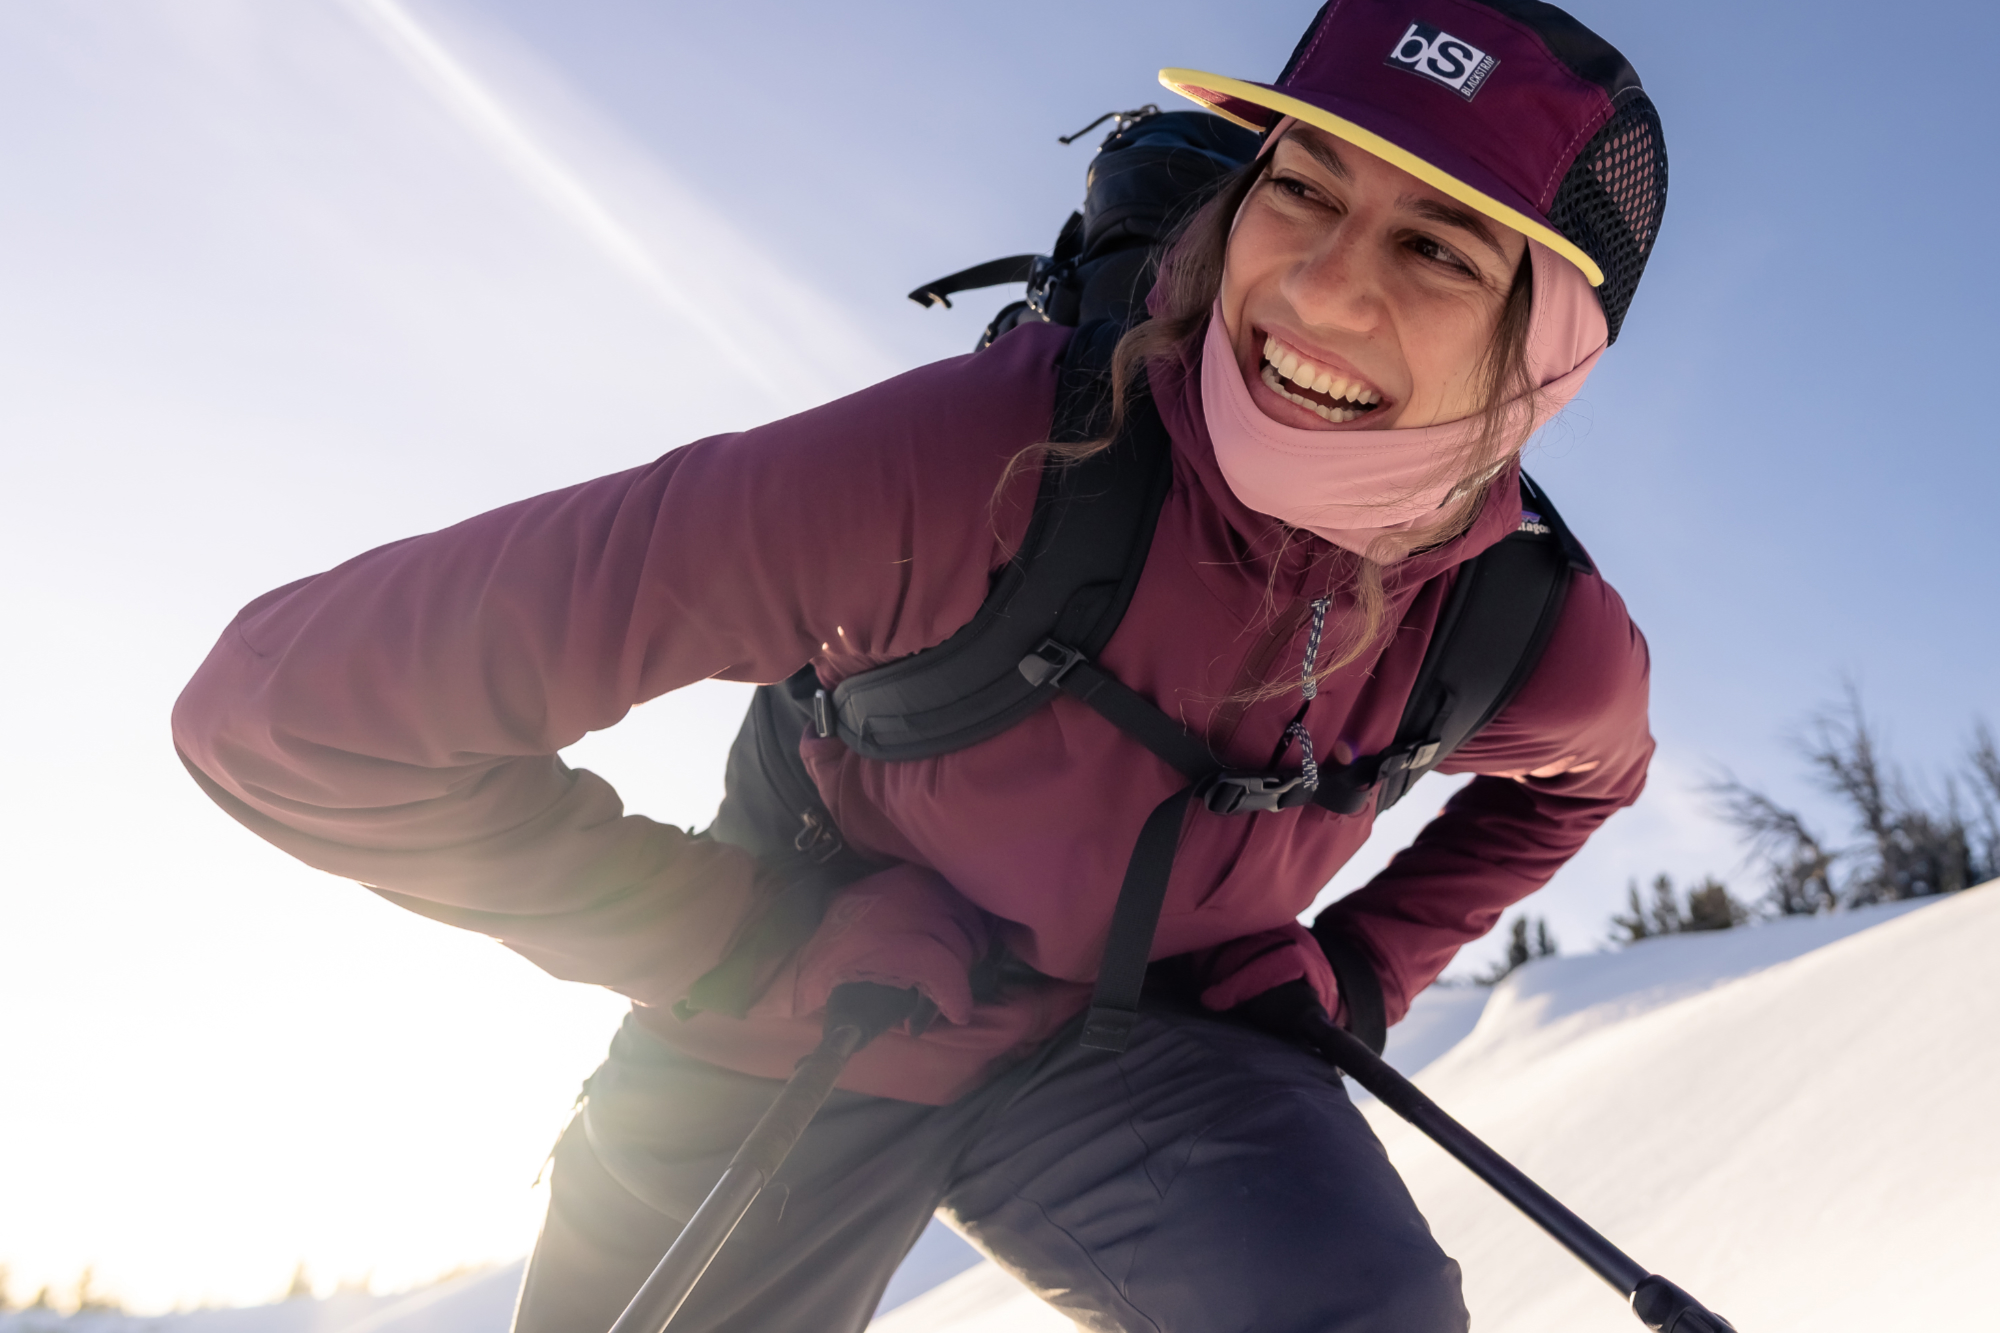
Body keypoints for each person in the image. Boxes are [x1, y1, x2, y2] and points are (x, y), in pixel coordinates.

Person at [173, 3, 1668, 1330]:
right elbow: (287, 710)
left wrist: (1363, 966)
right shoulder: (978, 465)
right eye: (1302, 187)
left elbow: (1585, 783)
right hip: (793, 1017)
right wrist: (738, 937)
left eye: (1438, 248)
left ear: (1549, 351)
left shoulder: (1517, 627)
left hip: (1154, 1047)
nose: (1325, 291)